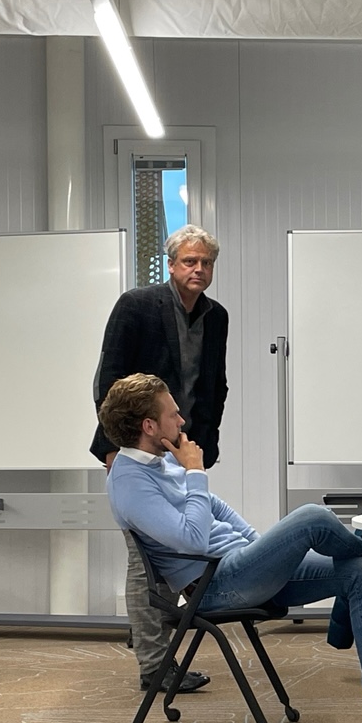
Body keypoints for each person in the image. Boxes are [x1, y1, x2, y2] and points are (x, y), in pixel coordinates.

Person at [99, 373, 362, 723]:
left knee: (359, 570)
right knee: (312, 516)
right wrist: (196, 471)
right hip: (215, 587)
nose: (182, 420)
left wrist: (255, 546)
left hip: (243, 570)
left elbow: (214, 506)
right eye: (173, 414)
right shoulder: (130, 483)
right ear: (149, 425)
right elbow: (194, 539)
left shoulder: (161, 459)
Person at [91, 225, 229, 694]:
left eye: (206, 263)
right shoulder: (137, 305)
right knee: (146, 561)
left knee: (175, 552)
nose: (198, 270)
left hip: (183, 446)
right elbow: (109, 376)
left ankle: (159, 652)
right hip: (135, 445)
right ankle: (153, 664)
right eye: (189, 261)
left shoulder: (217, 315)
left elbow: (216, 384)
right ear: (171, 265)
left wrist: (202, 450)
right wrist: (117, 446)